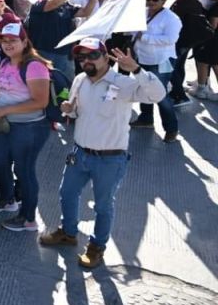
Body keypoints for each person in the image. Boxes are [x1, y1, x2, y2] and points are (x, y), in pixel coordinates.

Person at [39, 39, 165, 269]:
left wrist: (136, 69)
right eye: (81, 57)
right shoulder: (79, 80)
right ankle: (68, 233)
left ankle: (97, 247)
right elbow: (77, 112)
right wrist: (70, 109)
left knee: (103, 206)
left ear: (106, 58)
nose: (86, 60)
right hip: (80, 153)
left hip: (110, 158)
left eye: (93, 55)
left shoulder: (124, 83)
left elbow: (158, 95)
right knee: (67, 193)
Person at [0, 22, 51, 232]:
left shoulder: (34, 66)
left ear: (24, 41)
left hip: (28, 128)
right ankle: (7, 200)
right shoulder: (5, 62)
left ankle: (28, 219)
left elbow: (41, 102)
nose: (8, 44)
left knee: (24, 171)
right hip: (4, 125)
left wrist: (5, 110)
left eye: (13, 40)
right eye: (4, 41)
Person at [129, 0, 182, 142]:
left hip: (162, 61)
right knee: (144, 89)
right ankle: (146, 118)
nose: (150, 1)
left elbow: (171, 39)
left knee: (160, 94)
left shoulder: (172, 18)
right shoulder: (143, 13)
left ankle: (171, 128)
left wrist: (144, 37)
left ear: (163, 0)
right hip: (143, 58)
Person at [25, 0, 90, 80]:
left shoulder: (66, 6)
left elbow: (86, 12)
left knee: (66, 90)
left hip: (64, 56)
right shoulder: (38, 4)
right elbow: (53, 3)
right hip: (42, 54)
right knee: (44, 86)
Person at [168, 0, 207, 107]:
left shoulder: (181, 3)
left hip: (180, 41)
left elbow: (172, 22)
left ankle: (180, 95)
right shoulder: (195, 1)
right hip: (188, 41)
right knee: (179, 66)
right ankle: (176, 92)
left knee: (171, 67)